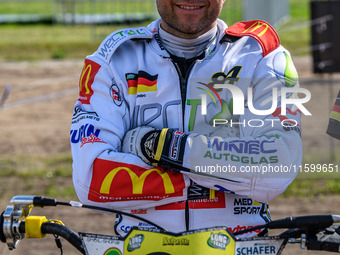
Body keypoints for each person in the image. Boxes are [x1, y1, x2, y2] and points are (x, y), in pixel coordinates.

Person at [70, 0, 302, 237]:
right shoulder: (115, 58)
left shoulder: (262, 55)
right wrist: (226, 174)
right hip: (144, 248)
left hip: (241, 246)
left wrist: (158, 147)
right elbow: (92, 180)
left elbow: (277, 168)